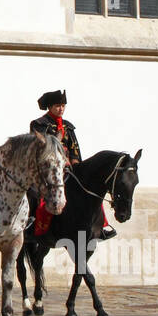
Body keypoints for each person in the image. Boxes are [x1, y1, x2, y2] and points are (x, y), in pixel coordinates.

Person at [30, 89, 116, 240]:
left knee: (90, 189)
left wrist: (75, 162)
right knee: (37, 195)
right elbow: (41, 148)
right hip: (47, 169)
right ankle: (32, 224)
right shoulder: (39, 125)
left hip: (68, 169)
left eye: (63, 105)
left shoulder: (68, 127)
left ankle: (100, 226)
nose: (61, 109)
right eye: (57, 105)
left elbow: (74, 148)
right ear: (50, 107)